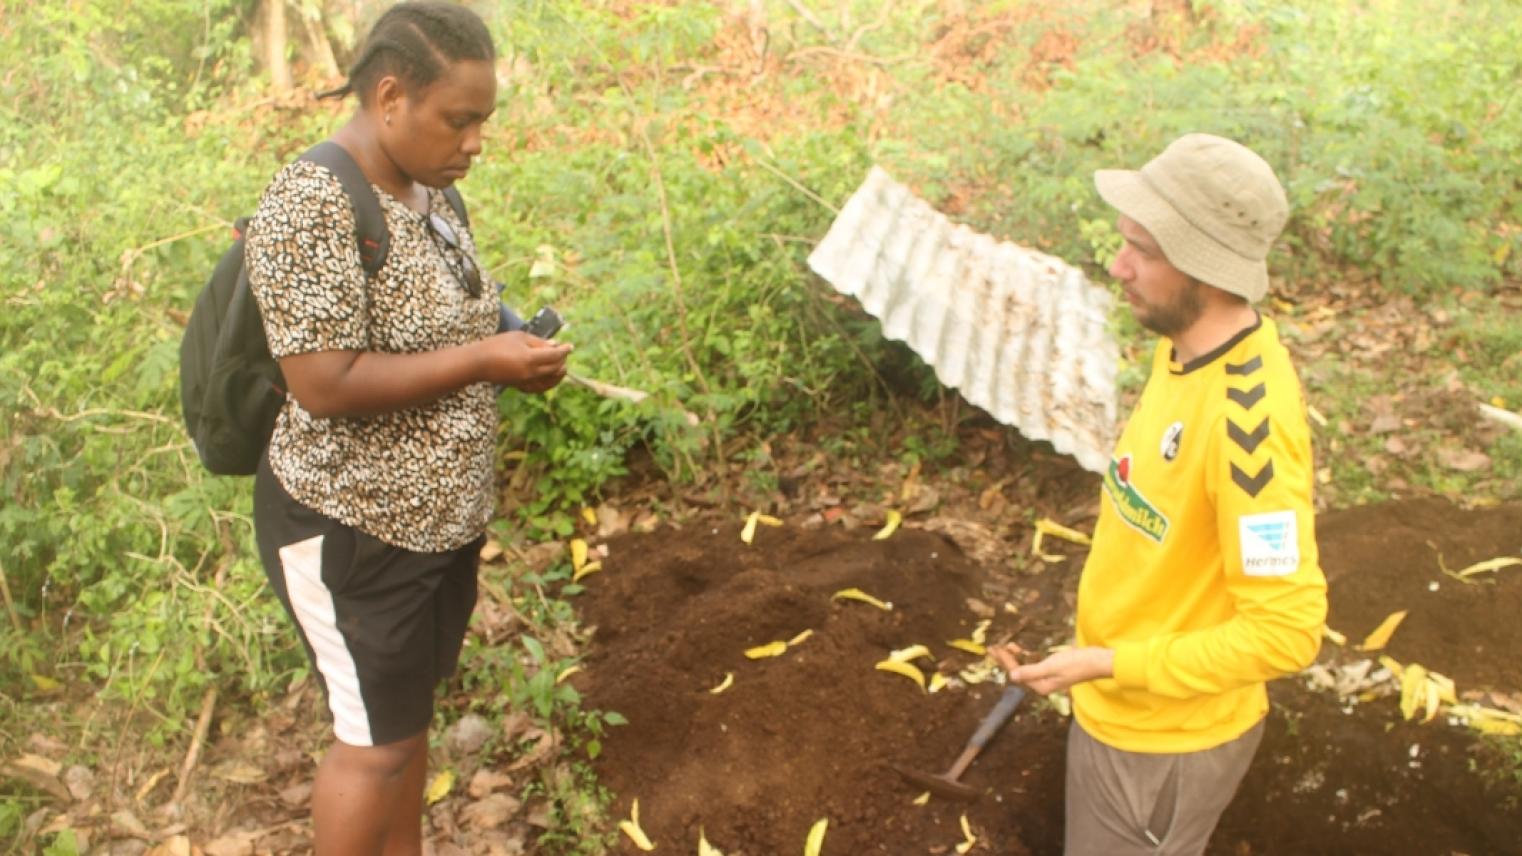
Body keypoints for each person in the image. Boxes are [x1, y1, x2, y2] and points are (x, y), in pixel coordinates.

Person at [245, 3, 571, 853]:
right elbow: (323, 381)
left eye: (482, 123)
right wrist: (483, 362)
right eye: (458, 120)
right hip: (349, 529)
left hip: (432, 529)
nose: (474, 142)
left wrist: (509, 338)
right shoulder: (311, 199)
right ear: (390, 97)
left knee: (405, 729)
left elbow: (446, 311)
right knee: (375, 746)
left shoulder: (430, 191)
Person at [991, 134, 1328, 855]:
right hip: (1119, 710)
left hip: (1163, 746)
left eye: (1141, 248)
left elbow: (1288, 632)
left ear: (1205, 266)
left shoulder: (1250, 427)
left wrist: (1110, 663)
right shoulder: (1180, 346)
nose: (1119, 267)